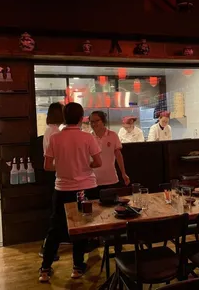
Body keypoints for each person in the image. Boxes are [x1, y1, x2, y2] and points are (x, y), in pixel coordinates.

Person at [39, 102, 102, 283]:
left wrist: (64, 166)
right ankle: (77, 267)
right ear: (82, 118)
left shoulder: (55, 138)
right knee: (81, 228)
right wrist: (84, 165)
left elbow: (46, 166)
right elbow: (98, 162)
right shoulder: (87, 138)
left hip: (62, 189)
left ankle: (44, 269)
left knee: (55, 228)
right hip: (85, 188)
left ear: (64, 118)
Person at [39, 102, 64, 260]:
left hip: (53, 175)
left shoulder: (51, 130)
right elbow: (52, 159)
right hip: (56, 176)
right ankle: (48, 249)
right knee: (58, 216)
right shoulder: (54, 132)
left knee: (58, 215)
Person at [89, 111, 130, 198]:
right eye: (91, 121)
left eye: (97, 121)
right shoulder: (88, 137)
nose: (94, 124)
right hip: (92, 180)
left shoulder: (113, 135)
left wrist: (123, 173)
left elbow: (118, 155)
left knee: (112, 207)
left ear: (103, 121)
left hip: (111, 179)